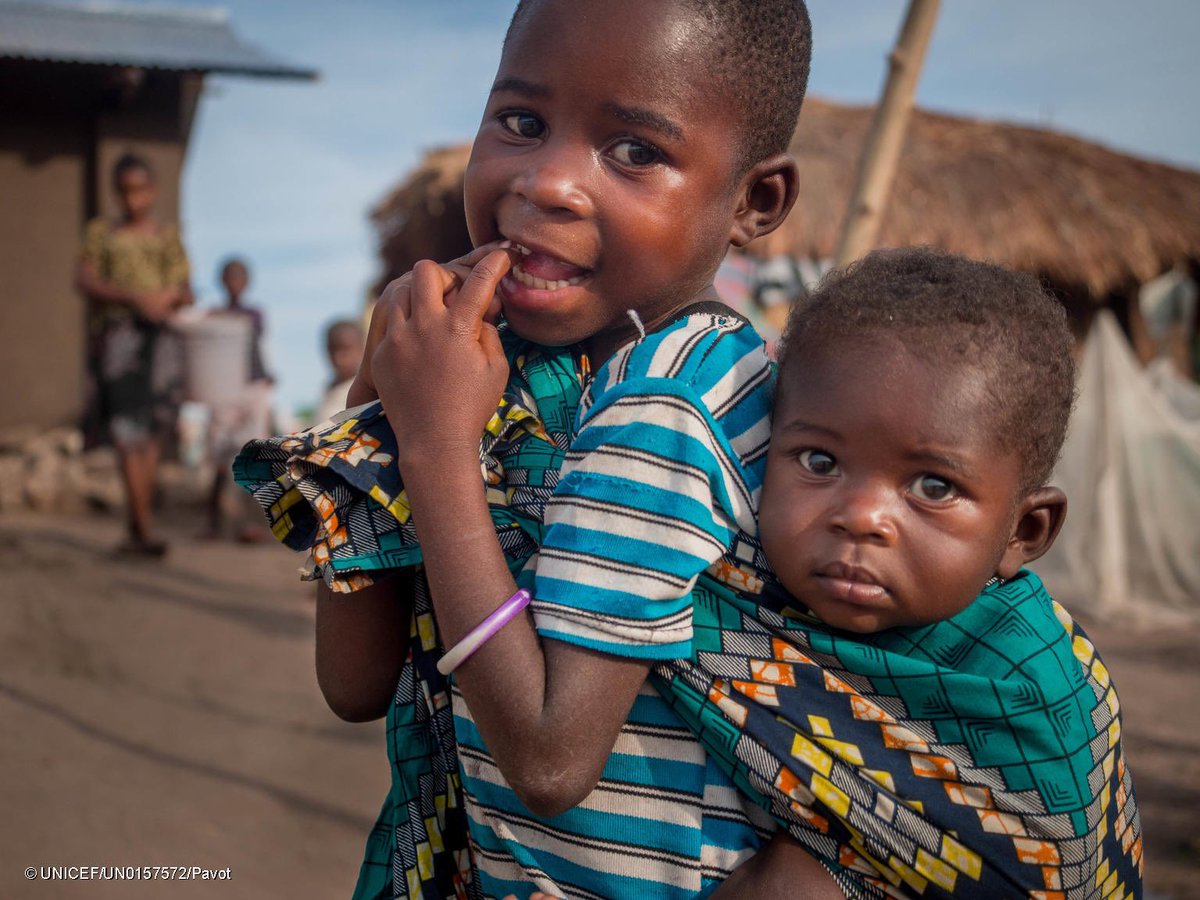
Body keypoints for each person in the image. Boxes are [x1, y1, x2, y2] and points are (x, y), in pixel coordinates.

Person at [239, 0, 816, 896]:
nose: (549, 181)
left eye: (635, 151)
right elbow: (354, 683)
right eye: (521, 121)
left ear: (754, 201)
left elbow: (549, 759)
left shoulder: (671, 401)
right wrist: (376, 399)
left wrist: (432, 444)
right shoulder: (501, 366)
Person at [77, 151, 192, 556]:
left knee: (152, 431)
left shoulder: (167, 237)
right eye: (125, 192)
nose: (133, 200)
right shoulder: (102, 234)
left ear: (153, 190)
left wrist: (167, 299)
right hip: (120, 342)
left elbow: (185, 289)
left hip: (161, 342)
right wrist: (135, 298)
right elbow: (85, 279)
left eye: (140, 190)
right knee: (127, 431)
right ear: (117, 193)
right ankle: (140, 527)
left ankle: (140, 527)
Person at [202, 257, 274, 541]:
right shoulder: (215, 315)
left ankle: (249, 524)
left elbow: (260, 349)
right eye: (229, 277)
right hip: (223, 390)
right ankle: (213, 523)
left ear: (246, 282)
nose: (234, 282)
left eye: (238, 277)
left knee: (252, 456)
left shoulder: (253, 315)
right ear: (222, 281)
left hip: (251, 387)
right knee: (219, 458)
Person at [313, 319, 364, 425]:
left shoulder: (365, 389)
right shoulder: (328, 387)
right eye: (333, 350)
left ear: (361, 348)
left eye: (346, 349)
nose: (338, 357)